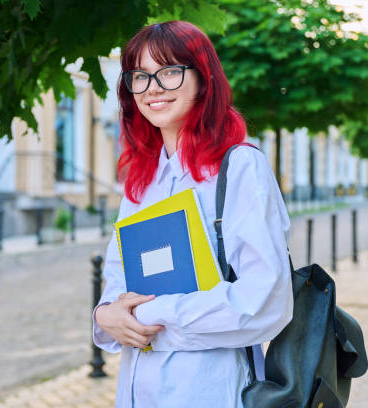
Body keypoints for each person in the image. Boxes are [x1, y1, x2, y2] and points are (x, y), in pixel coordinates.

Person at [93, 21, 293, 407]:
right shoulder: (140, 180)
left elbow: (265, 301)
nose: (152, 87)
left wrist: (154, 317)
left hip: (211, 389)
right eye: (140, 76)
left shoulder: (239, 169)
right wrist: (105, 315)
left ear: (204, 79)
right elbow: (118, 284)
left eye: (169, 72)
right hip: (138, 391)